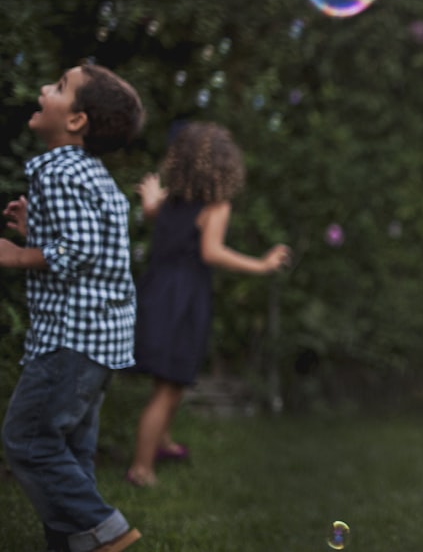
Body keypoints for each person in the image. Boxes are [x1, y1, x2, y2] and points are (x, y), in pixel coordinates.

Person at [0, 64, 145, 552]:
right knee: (69, 453)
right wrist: (34, 232)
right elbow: (94, 245)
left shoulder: (59, 170)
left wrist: (20, 254)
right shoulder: (93, 175)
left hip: (70, 339)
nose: (43, 90)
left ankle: (107, 530)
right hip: (102, 340)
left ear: (77, 120)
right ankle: (75, 546)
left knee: (28, 441)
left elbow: (78, 250)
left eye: (59, 87)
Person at [126, 121, 290, 487]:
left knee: (173, 379)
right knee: (167, 387)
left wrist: (150, 197)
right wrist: (261, 264)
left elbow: (153, 213)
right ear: (222, 165)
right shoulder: (215, 206)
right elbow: (210, 251)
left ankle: (163, 442)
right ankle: (141, 468)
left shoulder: (172, 201)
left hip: (156, 291)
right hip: (184, 297)